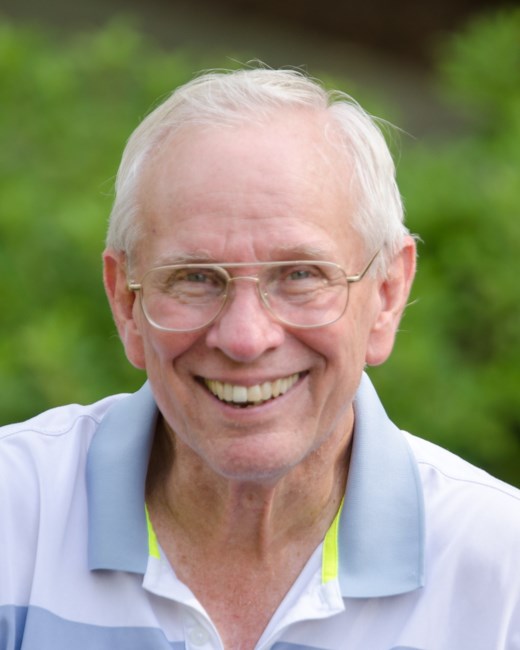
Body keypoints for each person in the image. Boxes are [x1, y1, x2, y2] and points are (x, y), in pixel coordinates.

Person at [1, 68, 519, 650]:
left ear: (386, 296)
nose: (245, 338)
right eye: (195, 277)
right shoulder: (13, 513)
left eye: (300, 275)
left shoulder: (503, 572)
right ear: (126, 302)